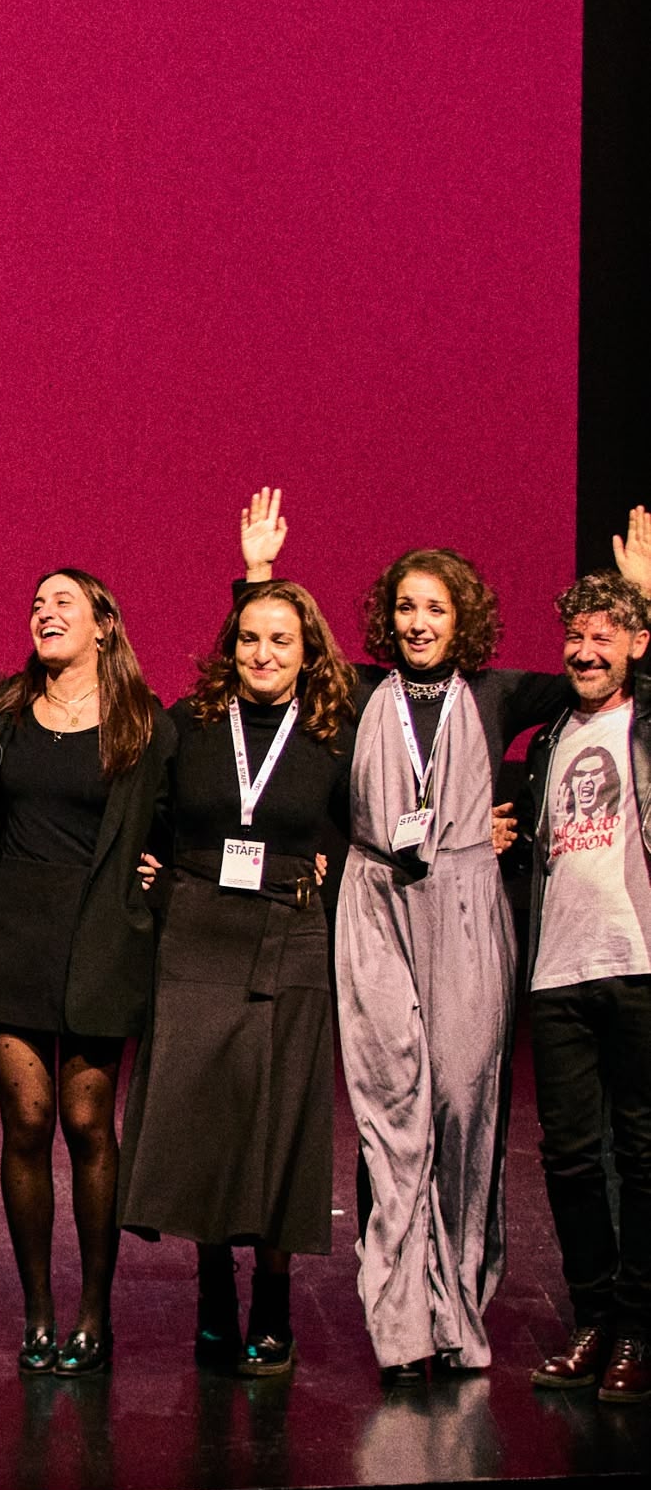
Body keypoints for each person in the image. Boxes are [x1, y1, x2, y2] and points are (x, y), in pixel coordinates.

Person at [240, 489, 650, 1379]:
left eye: (434, 607)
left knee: (464, 1109)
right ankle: (400, 1326)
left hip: (467, 911)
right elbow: (273, 653)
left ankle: (455, 1308)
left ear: (463, 619)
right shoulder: (357, 690)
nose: (418, 622)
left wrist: (639, 599)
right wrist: (260, 573)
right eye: (405, 607)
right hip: (378, 906)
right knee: (394, 1116)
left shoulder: (499, 693)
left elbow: (607, 677)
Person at [117, 570, 357, 1375]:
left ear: (307, 650)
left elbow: (364, 821)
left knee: (279, 1120)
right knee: (206, 1119)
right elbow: (153, 812)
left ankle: (274, 1302)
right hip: (198, 932)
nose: (263, 652)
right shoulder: (191, 722)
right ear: (231, 646)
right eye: (250, 637)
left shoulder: (332, 729)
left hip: (289, 934)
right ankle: (214, 1289)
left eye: (281, 640)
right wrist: (154, 877)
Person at [0, 569, 173, 1374]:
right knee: (26, 1121)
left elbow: (185, 811)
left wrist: (161, 872)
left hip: (99, 939)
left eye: (64, 603)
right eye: (37, 603)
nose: (44, 612)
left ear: (104, 625)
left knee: (87, 1123)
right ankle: (39, 1311)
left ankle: (94, 1312)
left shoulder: (142, 721)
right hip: (11, 937)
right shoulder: (6, 712)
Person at [515, 543, 651, 1403]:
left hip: (639, 962)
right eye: (576, 635)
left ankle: (638, 1327)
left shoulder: (646, 723)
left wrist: (646, 590)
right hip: (559, 970)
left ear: (637, 642)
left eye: (605, 635)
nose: (586, 650)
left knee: (641, 1154)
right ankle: (593, 1317)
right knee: (568, 1158)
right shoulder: (550, 737)